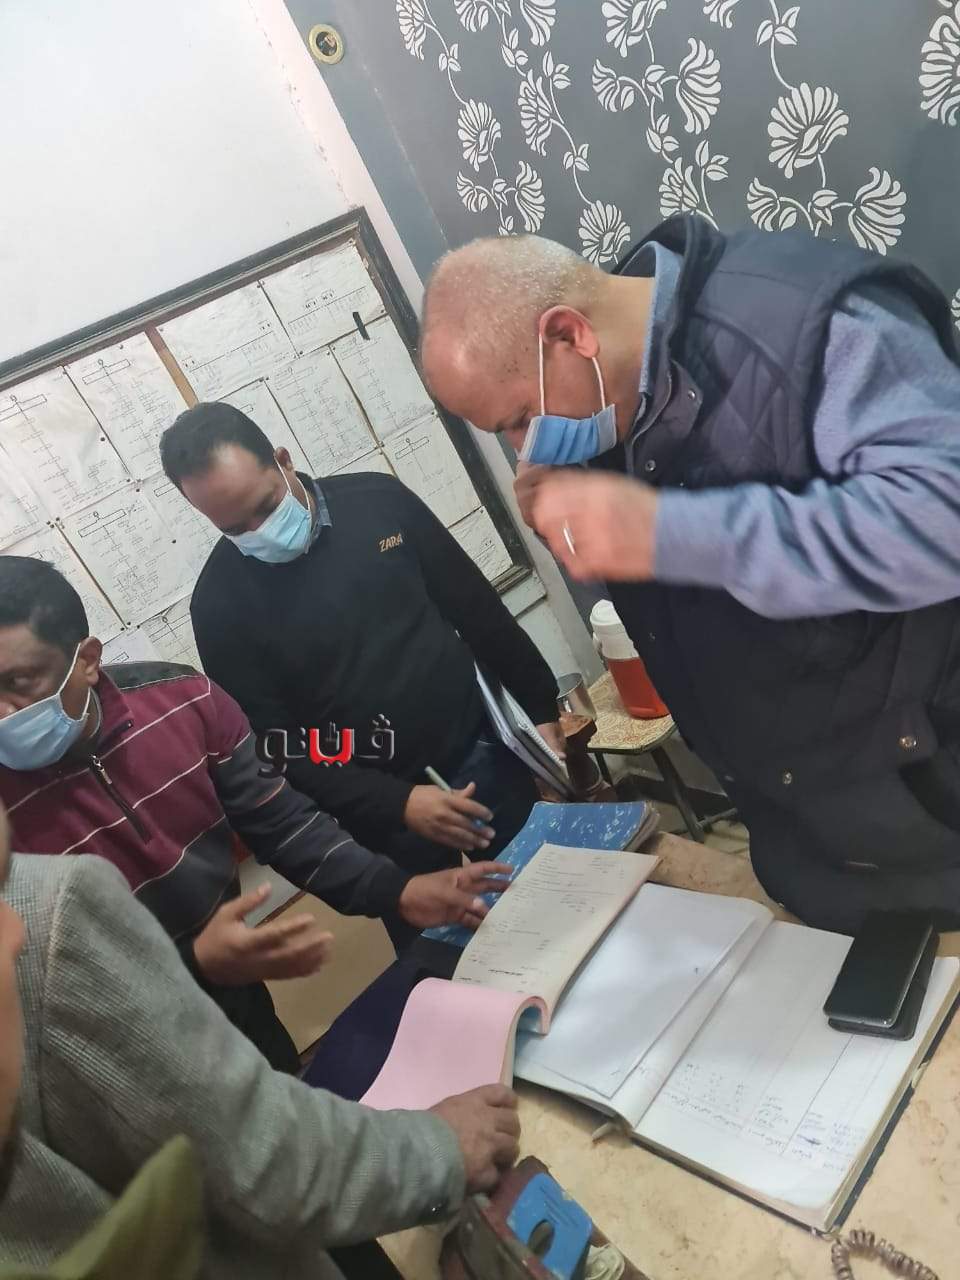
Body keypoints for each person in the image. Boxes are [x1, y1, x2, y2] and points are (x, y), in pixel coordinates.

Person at [419, 215, 960, 933]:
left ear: (569, 335)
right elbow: (680, 603)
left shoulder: (814, 325)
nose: (525, 449)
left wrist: (672, 530)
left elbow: (942, 521)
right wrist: (581, 537)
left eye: (519, 419)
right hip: (801, 828)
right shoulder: (607, 405)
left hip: (927, 800)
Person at [0, 557, 508, 1071]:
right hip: (102, 1055)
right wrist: (193, 966)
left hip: (237, 997)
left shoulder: (183, 701)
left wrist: (396, 890)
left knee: (287, 1096)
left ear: (87, 660)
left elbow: (283, 824)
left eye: (19, 681)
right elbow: (29, 984)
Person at [0, 796, 521, 1278]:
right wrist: (438, 1153)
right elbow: (258, 1159)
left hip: (248, 1022)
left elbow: (276, 811)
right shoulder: (50, 914)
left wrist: (392, 888)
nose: (15, 933)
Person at [159, 405, 561, 942]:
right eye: (235, 528)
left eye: (266, 507)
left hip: (484, 752)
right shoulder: (219, 606)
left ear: (282, 461)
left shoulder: (377, 501)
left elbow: (476, 609)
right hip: (381, 815)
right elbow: (282, 746)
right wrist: (397, 802)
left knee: (552, 905)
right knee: (454, 957)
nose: (260, 532)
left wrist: (542, 709)